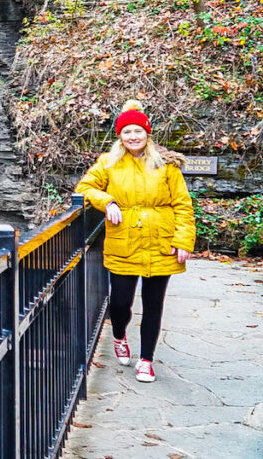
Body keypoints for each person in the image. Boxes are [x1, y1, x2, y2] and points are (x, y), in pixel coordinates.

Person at [75, 99, 195, 383]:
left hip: (161, 241)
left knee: (154, 304)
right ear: (120, 135)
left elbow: (182, 205)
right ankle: (119, 336)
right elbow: (85, 187)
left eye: (137, 131)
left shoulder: (167, 165)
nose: (133, 137)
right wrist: (108, 201)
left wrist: (183, 241)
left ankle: (146, 360)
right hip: (124, 241)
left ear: (147, 133)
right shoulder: (109, 162)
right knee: (119, 303)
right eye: (127, 132)